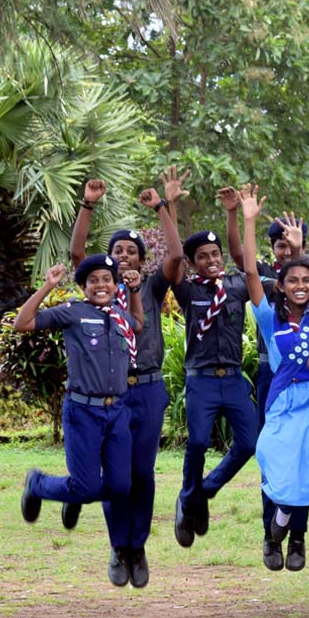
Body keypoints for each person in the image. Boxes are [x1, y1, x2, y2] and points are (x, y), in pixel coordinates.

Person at [67, 173, 185, 586]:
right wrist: (88, 204)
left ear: (140, 259)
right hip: (110, 395)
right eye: (117, 250)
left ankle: (138, 545)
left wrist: (162, 208)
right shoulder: (99, 291)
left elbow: (176, 255)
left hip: (147, 389)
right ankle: (119, 546)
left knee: (142, 473)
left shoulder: (151, 288)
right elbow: (77, 252)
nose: (124, 256)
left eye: (131, 251)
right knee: (114, 477)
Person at [17, 256, 143, 586]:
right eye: (93, 280)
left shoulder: (120, 315)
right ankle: (38, 484)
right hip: (82, 411)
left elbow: (138, 325)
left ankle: (74, 495)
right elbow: (23, 323)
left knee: (120, 487)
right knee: (86, 487)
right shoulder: (72, 312)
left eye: (107, 279)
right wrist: (47, 286)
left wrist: (135, 292)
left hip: (117, 412)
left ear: (115, 284)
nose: (101, 285)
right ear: (84, 286)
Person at [241, 186, 309, 572]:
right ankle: (276, 524)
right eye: (292, 281)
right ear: (280, 286)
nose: (300, 285)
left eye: (306, 281)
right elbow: (250, 271)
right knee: (277, 462)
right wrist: (248, 220)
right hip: (283, 399)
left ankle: (292, 534)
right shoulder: (270, 317)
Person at [171, 218, 258, 546]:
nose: (211, 260)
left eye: (215, 254)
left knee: (248, 443)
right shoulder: (187, 290)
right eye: (203, 256)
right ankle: (187, 499)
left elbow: (250, 266)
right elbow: (174, 255)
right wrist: (169, 206)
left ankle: (200, 493)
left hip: (233, 378)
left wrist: (236, 215)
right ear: (192, 263)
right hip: (202, 380)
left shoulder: (237, 285)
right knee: (196, 443)